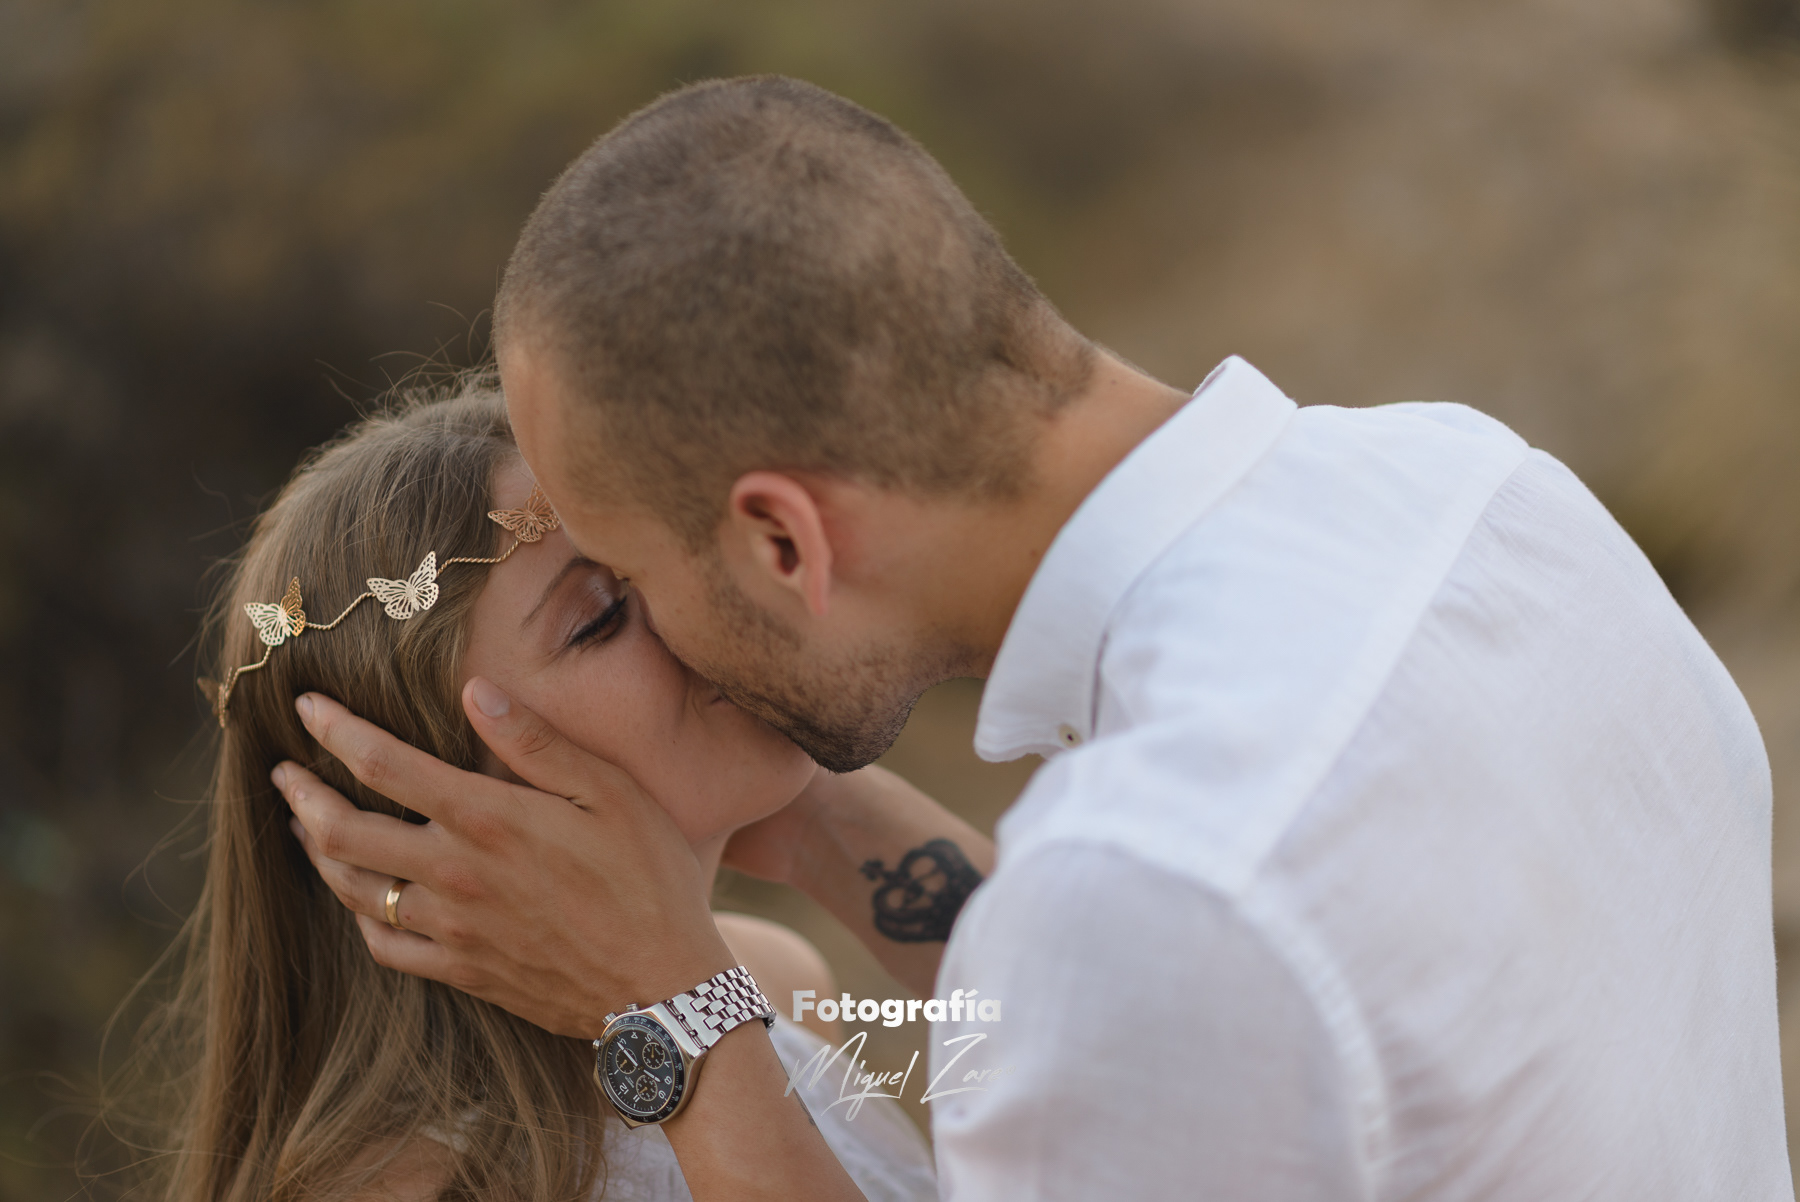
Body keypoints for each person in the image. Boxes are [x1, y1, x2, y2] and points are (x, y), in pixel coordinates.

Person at [281, 76, 1793, 1199]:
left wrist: (670, 1015)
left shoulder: (1150, 889)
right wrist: (807, 821)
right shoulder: (1490, 490)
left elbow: (1137, 968)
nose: (680, 653)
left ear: (782, 541)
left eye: (628, 581)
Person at [136, 385, 943, 1201]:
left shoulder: (769, 981)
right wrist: (684, 1009)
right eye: (598, 617)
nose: (706, 601)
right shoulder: (416, 1186)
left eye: (657, 554)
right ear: (435, 801)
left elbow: (1072, 1029)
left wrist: (817, 812)